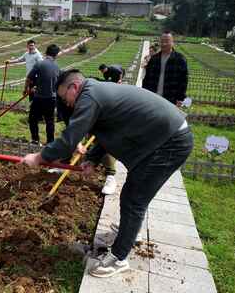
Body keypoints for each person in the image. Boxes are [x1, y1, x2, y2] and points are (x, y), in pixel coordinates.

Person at [22, 69, 193, 278]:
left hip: (169, 141)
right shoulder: (96, 92)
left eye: (63, 95)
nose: (64, 102)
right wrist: (92, 160)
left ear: (73, 87)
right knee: (134, 196)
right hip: (163, 136)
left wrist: (39, 157)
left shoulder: (89, 97)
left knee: (133, 199)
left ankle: (119, 258)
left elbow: (67, 143)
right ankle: (128, 234)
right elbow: (107, 130)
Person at [25, 44, 61, 145]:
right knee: (50, 121)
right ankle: (50, 142)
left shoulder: (40, 64)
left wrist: (26, 89)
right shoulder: (57, 67)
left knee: (33, 118)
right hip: (52, 98)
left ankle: (35, 140)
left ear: (46, 52)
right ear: (56, 55)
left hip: (39, 97)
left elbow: (29, 78)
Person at [142, 31, 188, 106]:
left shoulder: (180, 59)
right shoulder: (154, 59)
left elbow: (183, 81)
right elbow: (147, 79)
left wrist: (180, 98)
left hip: (170, 99)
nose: (164, 44)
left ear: (172, 42)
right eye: (162, 41)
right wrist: (144, 94)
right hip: (153, 97)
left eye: (167, 41)